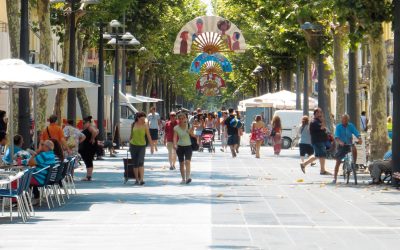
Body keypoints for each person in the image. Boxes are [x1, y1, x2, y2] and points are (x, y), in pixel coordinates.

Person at [332, 114, 362, 184]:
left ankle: (354, 164)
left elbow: (356, 133)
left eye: (346, 119)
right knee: (338, 161)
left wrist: (359, 138)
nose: (344, 121)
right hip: (342, 145)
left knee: (354, 148)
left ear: (348, 120)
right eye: (343, 119)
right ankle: (334, 177)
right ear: (341, 119)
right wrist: (340, 142)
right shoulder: (338, 127)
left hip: (349, 144)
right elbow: (336, 137)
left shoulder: (351, 126)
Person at [300, 108, 330, 175]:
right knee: (321, 155)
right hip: (318, 141)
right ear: (316, 114)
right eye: (320, 113)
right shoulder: (314, 121)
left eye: (321, 112)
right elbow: (322, 127)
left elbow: (323, 129)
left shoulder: (317, 121)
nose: (321, 114)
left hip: (319, 141)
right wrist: (323, 121)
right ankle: (322, 170)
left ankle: (304, 164)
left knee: (318, 155)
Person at [129, 112, 154, 185]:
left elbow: (149, 136)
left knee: (141, 162)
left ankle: (142, 179)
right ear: (138, 118)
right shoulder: (133, 124)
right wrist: (129, 145)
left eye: (144, 117)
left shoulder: (145, 125)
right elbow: (131, 135)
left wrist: (152, 146)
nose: (144, 118)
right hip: (133, 145)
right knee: (135, 163)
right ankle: (137, 179)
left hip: (142, 146)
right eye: (142, 117)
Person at [173, 113, 195, 184]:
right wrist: (175, 144)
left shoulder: (189, 126)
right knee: (181, 163)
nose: (181, 120)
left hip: (188, 146)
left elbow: (193, 136)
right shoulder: (176, 128)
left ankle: (188, 177)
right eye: (180, 119)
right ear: (178, 119)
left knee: (187, 162)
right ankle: (183, 179)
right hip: (180, 146)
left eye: (183, 118)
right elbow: (174, 137)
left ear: (185, 119)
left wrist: (189, 131)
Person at [78, 116, 99, 181]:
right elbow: (97, 131)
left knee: (88, 160)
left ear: (88, 122)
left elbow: (95, 132)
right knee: (88, 160)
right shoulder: (92, 127)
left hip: (89, 147)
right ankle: (88, 176)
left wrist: (92, 139)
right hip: (89, 146)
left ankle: (88, 176)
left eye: (84, 123)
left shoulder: (90, 127)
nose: (83, 124)